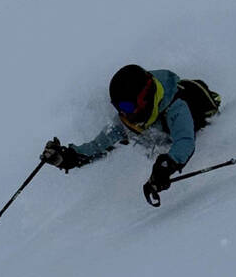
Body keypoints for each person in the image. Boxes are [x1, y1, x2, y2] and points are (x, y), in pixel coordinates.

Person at [41, 64, 221, 202]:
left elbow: (185, 141)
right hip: (163, 141)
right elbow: (99, 145)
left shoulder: (176, 108)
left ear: (145, 97)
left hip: (204, 135)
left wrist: (167, 165)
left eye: (127, 106)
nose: (123, 113)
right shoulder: (128, 119)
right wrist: (69, 157)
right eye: (118, 107)